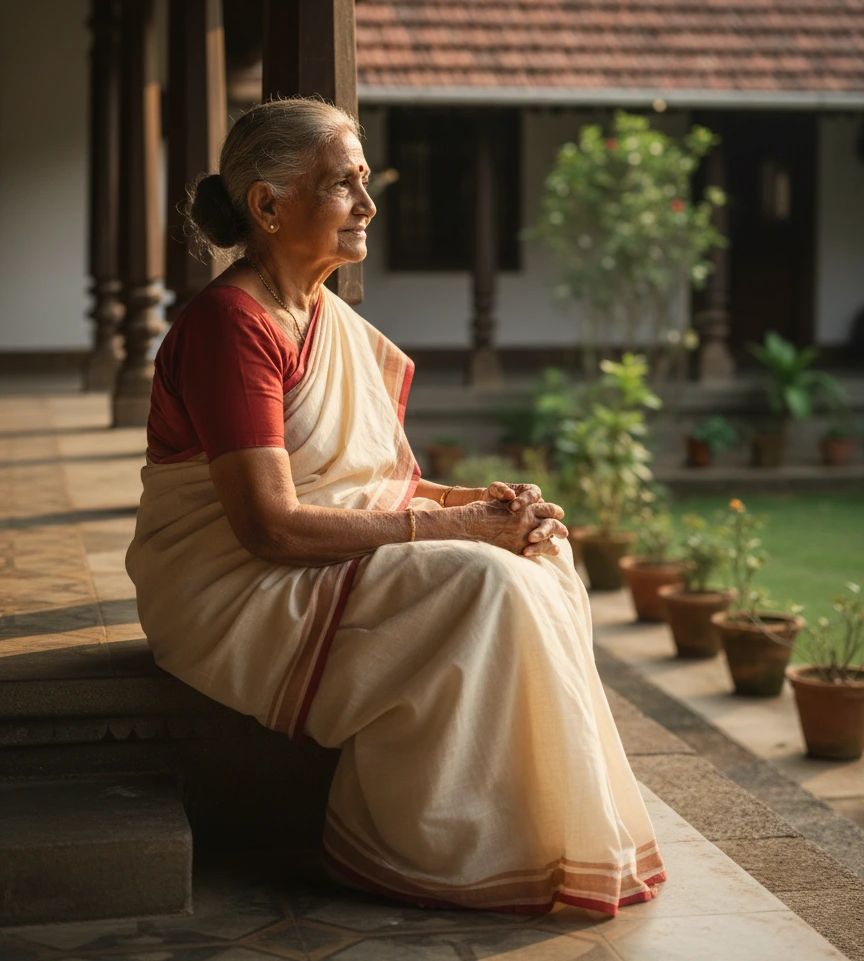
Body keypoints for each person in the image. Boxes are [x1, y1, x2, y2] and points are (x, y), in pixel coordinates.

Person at [126, 97, 666, 916]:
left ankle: (537, 827)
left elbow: (372, 481)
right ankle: (418, 845)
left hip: (306, 556)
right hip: (230, 585)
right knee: (488, 582)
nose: (368, 205)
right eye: (343, 185)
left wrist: (483, 505)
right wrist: (459, 529)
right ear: (267, 207)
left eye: (365, 181)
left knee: (540, 554)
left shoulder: (328, 320)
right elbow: (270, 525)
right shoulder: (231, 327)